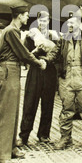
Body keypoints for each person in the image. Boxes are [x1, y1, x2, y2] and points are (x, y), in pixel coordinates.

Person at [0, 5, 46, 163]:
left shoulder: (13, 31)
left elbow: (21, 53)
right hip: (9, 70)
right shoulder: (11, 31)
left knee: (14, 112)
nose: (27, 18)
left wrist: (32, 56)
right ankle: (2, 154)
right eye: (25, 15)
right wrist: (38, 63)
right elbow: (23, 53)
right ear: (18, 16)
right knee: (7, 114)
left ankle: (11, 149)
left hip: (13, 70)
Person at [45, 10, 82, 152]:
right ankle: (65, 138)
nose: (69, 25)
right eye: (68, 23)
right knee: (67, 110)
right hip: (66, 78)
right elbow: (54, 53)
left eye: (72, 23)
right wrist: (44, 60)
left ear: (79, 23)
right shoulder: (63, 39)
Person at [17, 11, 59, 146]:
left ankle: (44, 135)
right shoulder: (30, 37)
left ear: (48, 22)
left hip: (49, 71)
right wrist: (36, 51)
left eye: (46, 20)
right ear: (38, 22)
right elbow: (24, 55)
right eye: (41, 21)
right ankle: (24, 135)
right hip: (35, 71)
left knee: (48, 105)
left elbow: (58, 54)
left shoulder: (54, 37)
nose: (43, 23)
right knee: (30, 103)